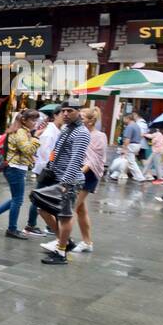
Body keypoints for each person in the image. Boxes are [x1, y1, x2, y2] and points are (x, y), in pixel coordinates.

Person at [37, 103, 90, 265]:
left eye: (70, 111)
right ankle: (64, 241)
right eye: (63, 111)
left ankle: (61, 253)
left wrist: (65, 183)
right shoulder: (67, 129)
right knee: (42, 208)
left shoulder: (82, 133)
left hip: (69, 180)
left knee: (65, 216)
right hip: (56, 177)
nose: (65, 113)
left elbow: (76, 160)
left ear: (78, 112)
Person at [0, 109, 40, 240]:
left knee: (15, 198)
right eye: (33, 120)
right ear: (24, 120)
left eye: (36, 120)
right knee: (17, 200)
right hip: (15, 168)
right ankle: (12, 229)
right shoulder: (20, 132)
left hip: (15, 167)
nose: (35, 123)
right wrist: (36, 137)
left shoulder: (20, 131)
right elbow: (28, 149)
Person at [64, 105, 106, 254]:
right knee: (81, 210)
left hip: (87, 175)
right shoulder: (79, 133)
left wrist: (75, 174)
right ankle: (87, 242)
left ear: (90, 121)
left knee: (70, 208)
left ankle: (61, 242)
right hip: (78, 172)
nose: (78, 119)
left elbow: (92, 160)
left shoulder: (99, 136)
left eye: (82, 118)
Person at [23, 109, 63, 236]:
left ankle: (46, 225)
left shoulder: (57, 130)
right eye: (63, 113)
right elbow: (45, 153)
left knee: (46, 197)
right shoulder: (49, 132)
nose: (65, 116)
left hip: (50, 168)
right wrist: (50, 166)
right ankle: (31, 225)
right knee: (40, 197)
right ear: (55, 115)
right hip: (47, 170)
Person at [113, 112, 147, 183]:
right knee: (122, 160)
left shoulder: (129, 126)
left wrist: (124, 148)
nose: (123, 120)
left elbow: (127, 139)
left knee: (131, 162)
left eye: (124, 119)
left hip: (131, 145)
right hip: (136, 145)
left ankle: (140, 177)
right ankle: (115, 174)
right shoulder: (136, 126)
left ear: (127, 118)